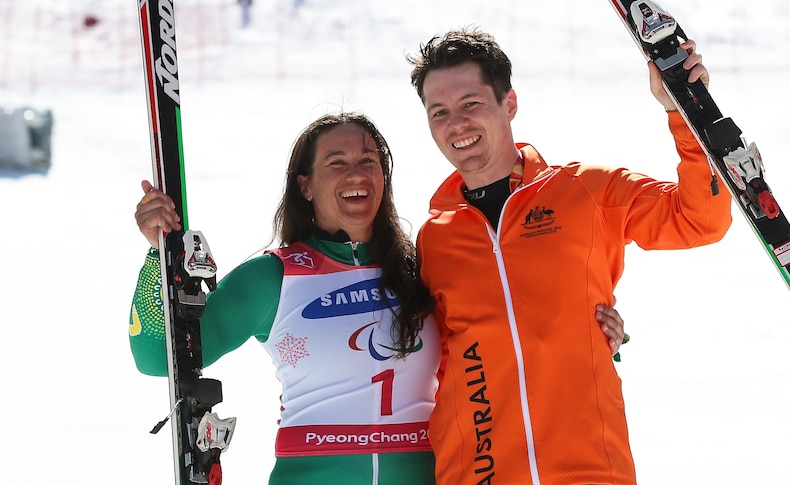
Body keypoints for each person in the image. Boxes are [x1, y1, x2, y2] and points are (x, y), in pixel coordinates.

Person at [128, 112, 628, 484]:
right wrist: (159, 258)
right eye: (337, 162)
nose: (356, 173)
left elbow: (513, 321)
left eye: (369, 161)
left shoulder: (424, 267)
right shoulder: (274, 276)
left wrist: (600, 328)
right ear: (305, 185)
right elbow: (158, 358)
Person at [406, 28, 732, 485]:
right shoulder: (432, 240)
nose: (455, 123)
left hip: (589, 470)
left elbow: (699, 219)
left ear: (509, 103)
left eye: (471, 103)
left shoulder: (586, 191)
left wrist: (682, 110)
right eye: (438, 111)